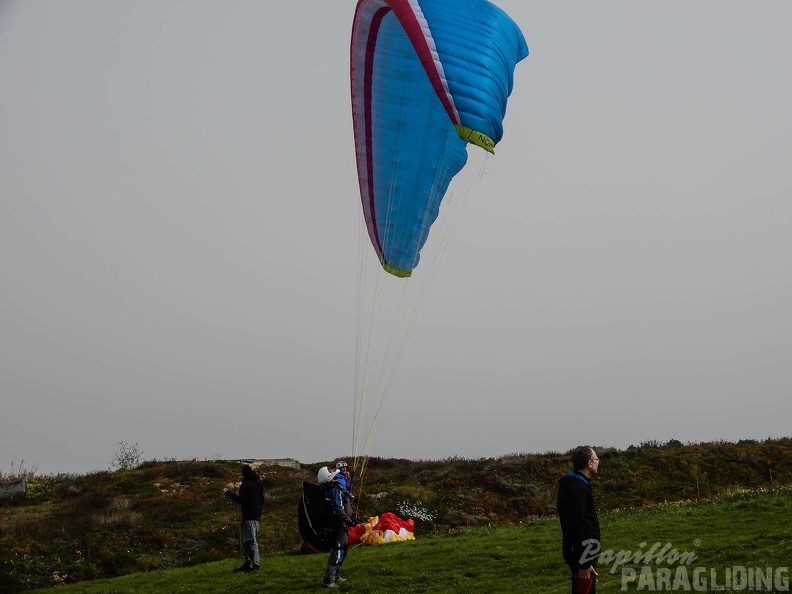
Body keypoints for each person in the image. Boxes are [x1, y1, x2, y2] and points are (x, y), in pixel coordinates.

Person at [557, 446, 601, 594]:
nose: (598, 461)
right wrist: (585, 562)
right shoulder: (577, 488)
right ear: (589, 463)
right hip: (583, 553)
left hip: (584, 550)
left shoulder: (576, 484)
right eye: (596, 459)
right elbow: (576, 526)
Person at [317, 466, 355, 588]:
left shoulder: (334, 487)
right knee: (338, 550)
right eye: (332, 473)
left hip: (340, 523)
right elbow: (338, 509)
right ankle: (329, 580)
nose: (334, 473)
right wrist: (349, 520)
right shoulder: (333, 490)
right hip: (338, 524)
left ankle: (336, 576)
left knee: (344, 548)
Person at [224, 464, 264, 572]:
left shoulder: (245, 485)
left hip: (248, 517)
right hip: (257, 517)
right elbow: (262, 501)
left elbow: (241, 500)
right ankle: (248, 563)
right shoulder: (259, 485)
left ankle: (256, 564)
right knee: (248, 540)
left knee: (251, 541)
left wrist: (229, 494)